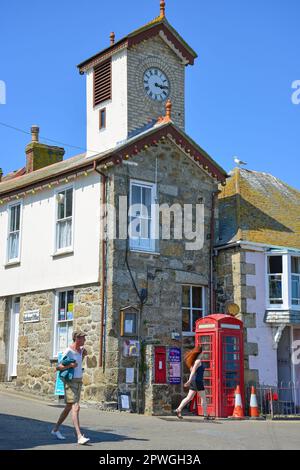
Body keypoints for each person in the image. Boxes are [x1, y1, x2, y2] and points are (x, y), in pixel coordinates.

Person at [51, 331, 90, 445]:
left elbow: (79, 364)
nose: (85, 340)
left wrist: (83, 356)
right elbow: (58, 367)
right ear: (77, 339)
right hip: (70, 382)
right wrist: (70, 365)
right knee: (75, 407)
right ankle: (79, 436)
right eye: (83, 338)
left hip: (78, 381)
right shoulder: (68, 351)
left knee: (68, 407)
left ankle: (55, 430)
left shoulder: (81, 350)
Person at [175, 345, 210, 420]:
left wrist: (190, 381)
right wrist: (189, 381)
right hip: (198, 381)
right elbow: (193, 371)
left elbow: (192, 371)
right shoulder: (198, 361)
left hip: (194, 381)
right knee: (203, 398)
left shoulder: (194, 361)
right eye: (203, 351)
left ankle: (178, 409)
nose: (204, 353)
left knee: (189, 398)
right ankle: (206, 415)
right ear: (201, 352)